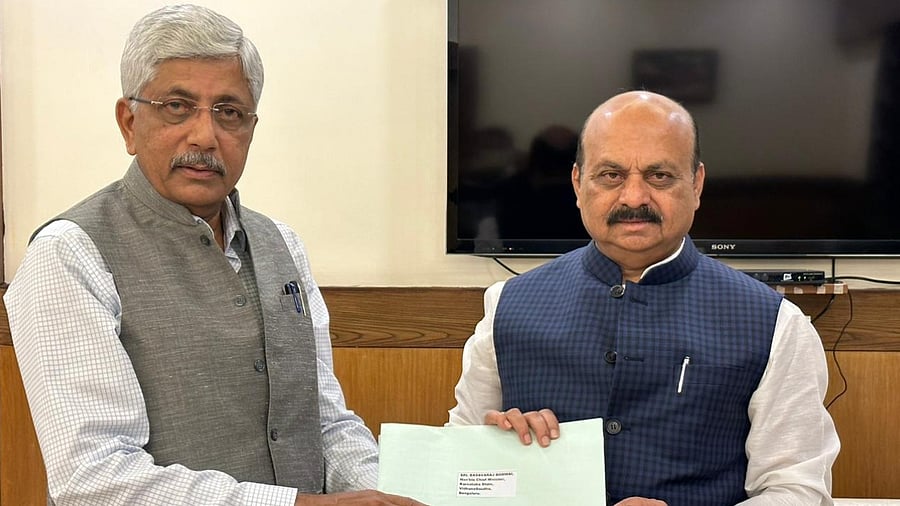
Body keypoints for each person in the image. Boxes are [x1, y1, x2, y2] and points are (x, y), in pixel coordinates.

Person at [3, 5, 423, 505]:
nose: (205, 135)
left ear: (250, 127)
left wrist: (387, 492)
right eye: (177, 106)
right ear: (128, 123)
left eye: (229, 112)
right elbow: (93, 478)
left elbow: (325, 422)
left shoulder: (282, 244)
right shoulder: (69, 254)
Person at [447, 91, 840, 505]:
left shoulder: (776, 324)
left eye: (660, 176)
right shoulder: (507, 305)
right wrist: (496, 449)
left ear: (697, 184)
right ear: (579, 184)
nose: (634, 197)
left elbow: (797, 490)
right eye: (611, 175)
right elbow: (457, 460)